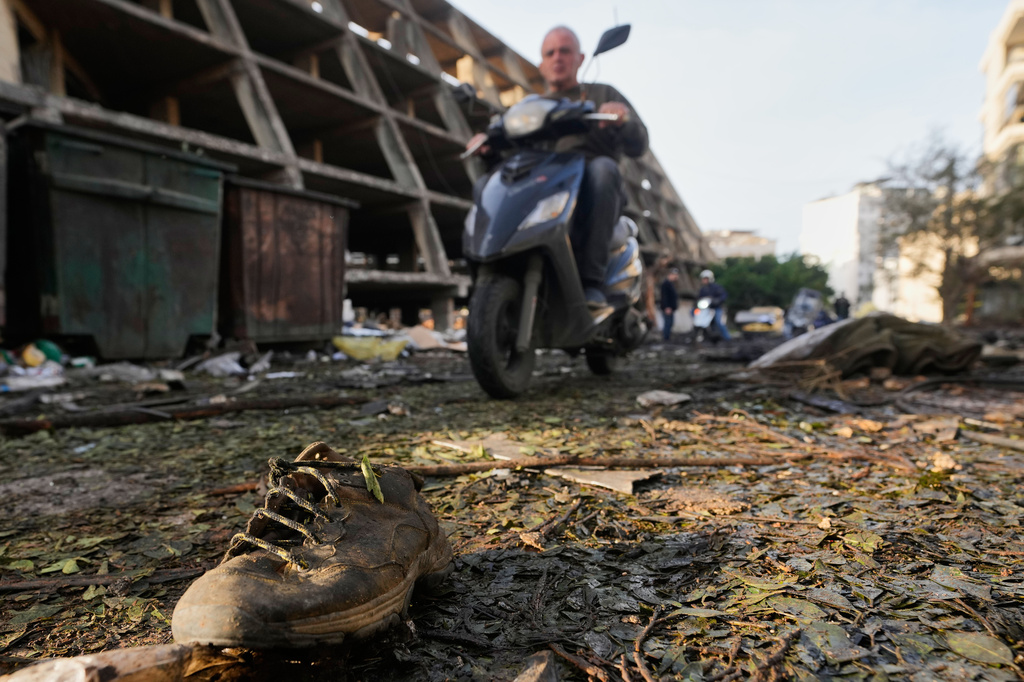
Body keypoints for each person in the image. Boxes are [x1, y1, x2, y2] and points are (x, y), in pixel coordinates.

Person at [467, 26, 649, 309]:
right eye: (550, 53)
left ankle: (592, 282)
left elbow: (639, 144)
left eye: (565, 51)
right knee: (485, 185)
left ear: (581, 57)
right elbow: (515, 157)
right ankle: (485, 273)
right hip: (543, 187)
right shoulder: (531, 107)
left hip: (588, 190)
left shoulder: (602, 93)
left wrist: (623, 119)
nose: (557, 58)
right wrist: (489, 148)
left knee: (603, 170)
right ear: (541, 64)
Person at [697, 269, 731, 341]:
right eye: (703, 279)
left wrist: (717, 300)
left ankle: (728, 338)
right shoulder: (702, 289)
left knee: (719, 322)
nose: (704, 280)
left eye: (706, 279)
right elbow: (698, 298)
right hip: (706, 309)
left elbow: (723, 295)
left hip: (717, 308)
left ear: (710, 279)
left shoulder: (716, 287)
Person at [660, 268, 680, 341]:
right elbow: (665, 297)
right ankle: (666, 338)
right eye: (675, 275)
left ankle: (667, 337)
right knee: (668, 323)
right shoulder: (666, 284)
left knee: (670, 323)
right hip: (667, 308)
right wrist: (667, 307)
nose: (676, 277)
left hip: (670, 308)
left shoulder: (671, 284)